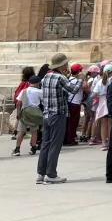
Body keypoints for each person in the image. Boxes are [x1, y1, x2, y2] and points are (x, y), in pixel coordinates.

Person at [36, 53, 80, 184]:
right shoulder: (61, 78)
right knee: (55, 144)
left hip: (47, 114)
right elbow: (73, 90)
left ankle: (41, 173)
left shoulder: (45, 77)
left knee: (45, 144)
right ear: (62, 65)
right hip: (58, 114)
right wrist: (79, 79)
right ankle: (51, 174)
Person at [10, 67, 39, 156]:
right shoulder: (39, 91)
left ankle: (17, 149)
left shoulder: (24, 89)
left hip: (24, 111)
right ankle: (33, 148)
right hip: (34, 112)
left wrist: (18, 113)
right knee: (34, 131)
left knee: (21, 131)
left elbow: (18, 102)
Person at [89, 67, 111, 148]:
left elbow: (93, 94)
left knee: (103, 124)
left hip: (102, 103)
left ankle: (103, 143)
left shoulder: (99, 82)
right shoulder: (111, 80)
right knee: (110, 124)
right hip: (109, 102)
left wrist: (97, 97)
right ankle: (109, 142)